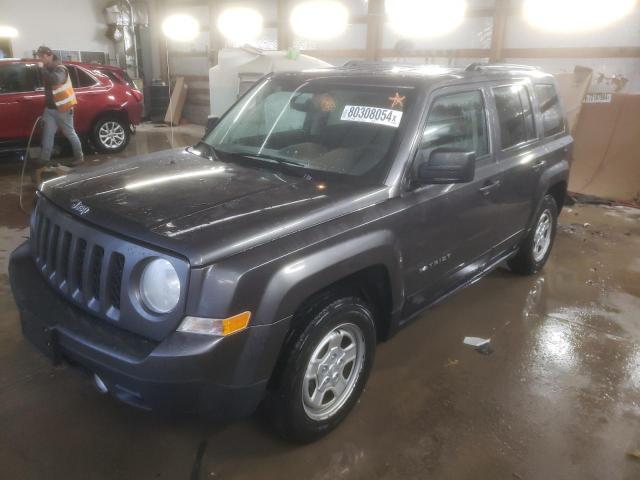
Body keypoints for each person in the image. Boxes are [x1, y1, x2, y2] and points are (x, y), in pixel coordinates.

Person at [36, 46, 84, 167]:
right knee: (48, 134)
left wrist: (42, 69)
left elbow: (55, 80)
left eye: (42, 57)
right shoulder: (48, 69)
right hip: (50, 109)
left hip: (63, 108)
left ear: (49, 55)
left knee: (69, 133)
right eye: (39, 57)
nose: (41, 59)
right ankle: (44, 160)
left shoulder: (60, 69)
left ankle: (79, 157)